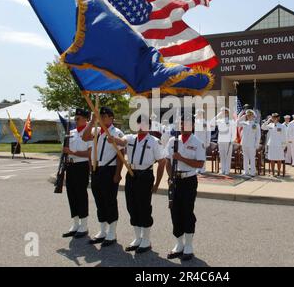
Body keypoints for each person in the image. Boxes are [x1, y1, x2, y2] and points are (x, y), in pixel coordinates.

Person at [113, 115, 166, 254]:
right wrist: (112, 138)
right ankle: (137, 238)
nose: (141, 127)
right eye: (139, 124)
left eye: (144, 124)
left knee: (144, 207)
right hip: (131, 174)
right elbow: (122, 141)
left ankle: (146, 240)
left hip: (145, 175)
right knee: (131, 205)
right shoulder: (130, 138)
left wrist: (156, 184)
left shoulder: (155, 141)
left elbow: (162, 162)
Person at [82, 106, 124, 247]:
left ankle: (112, 232)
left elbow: (120, 155)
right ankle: (102, 230)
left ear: (111, 118)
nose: (103, 118)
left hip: (109, 169)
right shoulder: (97, 131)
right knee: (99, 200)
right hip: (96, 169)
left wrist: (118, 173)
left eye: (105, 116)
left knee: (110, 200)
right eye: (101, 116)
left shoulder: (116, 132)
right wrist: (92, 121)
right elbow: (84, 136)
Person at [166, 114, 206, 261]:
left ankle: (188, 245)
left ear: (193, 126)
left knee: (187, 212)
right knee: (174, 212)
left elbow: (199, 164)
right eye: (181, 124)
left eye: (187, 124)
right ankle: (179, 244)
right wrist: (170, 177)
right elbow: (168, 161)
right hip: (175, 180)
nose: (183, 127)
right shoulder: (172, 141)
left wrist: (181, 158)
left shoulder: (197, 142)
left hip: (188, 181)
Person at [62, 108, 92, 239]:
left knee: (81, 194)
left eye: (78, 118)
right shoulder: (71, 132)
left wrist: (72, 152)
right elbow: (65, 151)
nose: (76, 120)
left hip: (82, 166)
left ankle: (84, 225)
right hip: (71, 165)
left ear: (86, 119)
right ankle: (75, 224)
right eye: (75, 118)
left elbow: (89, 153)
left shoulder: (89, 132)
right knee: (71, 194)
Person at [211, 108, 236, 175]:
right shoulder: (219, 120)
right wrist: (218, 115)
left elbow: (234, 132)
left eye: (225, 112)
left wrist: (232, 140)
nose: (224, 113)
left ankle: (227, 170)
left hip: (228, 141)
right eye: (222, 112)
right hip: (221, 140)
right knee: (222, 156)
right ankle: (222, 170)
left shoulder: (231, 121)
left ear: (228, 113)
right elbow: (211, 122)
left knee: (227, 156)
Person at [237, 110, 261, 177]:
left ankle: (252, 172)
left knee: (252, 158)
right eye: (248, 115)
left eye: (250, 115)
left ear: (253, 116)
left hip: (252, 144)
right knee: (245, 158)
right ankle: (246, 171)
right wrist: (242, 116)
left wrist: (256, 144)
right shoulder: (244, 123)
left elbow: (258, 135)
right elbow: (237, 123)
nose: (249, 116)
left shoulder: (256, 124)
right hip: (244, 143)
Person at [194, 109, 211, 174]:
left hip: (203, 142)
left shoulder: (206, 122)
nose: (197, 116)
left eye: (198, 114)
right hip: (196, 142)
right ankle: (197, 168)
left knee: (203, 156)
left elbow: (208, 133)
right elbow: (195, 133)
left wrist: (208, 142)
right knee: (196, 156)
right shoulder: (195, 122)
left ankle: (203, 169)